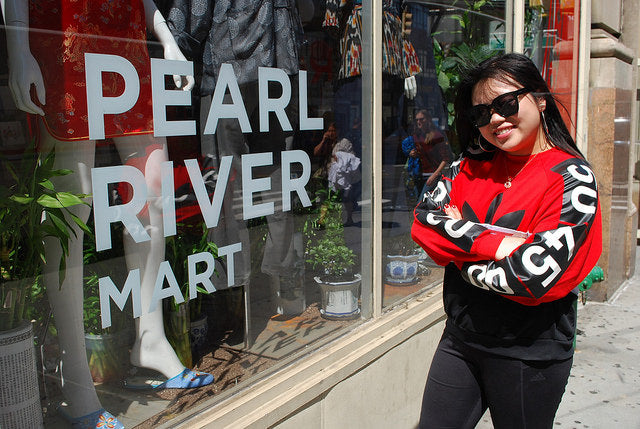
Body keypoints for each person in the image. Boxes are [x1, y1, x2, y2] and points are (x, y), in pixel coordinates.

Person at [412, 53, 602, 428]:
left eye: (506, 104)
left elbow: (533, 278)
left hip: (529, 352)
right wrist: (503, 245)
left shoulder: (572, 178)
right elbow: (423, 224)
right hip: (461, 338)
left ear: (541, 98)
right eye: (481, 114)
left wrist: (461, 249)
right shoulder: (466, 168)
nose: (495, 119)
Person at [401, 109, 453, 200]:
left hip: (432, 175)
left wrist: (435, 175)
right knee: (420, 203)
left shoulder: (436, 136)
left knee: (421, 203)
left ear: (428, 120)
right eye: (417, 120)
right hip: (418, 175)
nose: (419, 122)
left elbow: (446, 158)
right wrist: (411, 153)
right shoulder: (416, 136)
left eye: (422, 119)